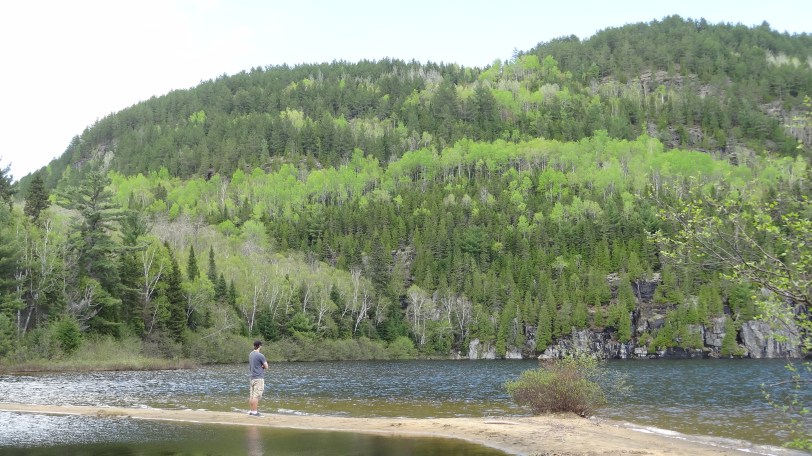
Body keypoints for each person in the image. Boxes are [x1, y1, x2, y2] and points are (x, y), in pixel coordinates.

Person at [248, 340, 268, 416]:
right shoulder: (260, 355)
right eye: (261, 345)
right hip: (259, 378)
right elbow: (266, 366)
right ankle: (255, 412)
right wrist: (262, 366)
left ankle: (251, 411)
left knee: (252, 396)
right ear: (259, 346)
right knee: (256, 396)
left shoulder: (251, 354)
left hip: (252, 377)